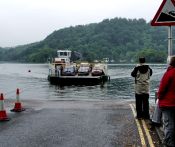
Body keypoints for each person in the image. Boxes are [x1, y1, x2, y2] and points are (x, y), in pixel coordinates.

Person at [157, 56, 175, 147]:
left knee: (169, 123)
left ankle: (168, 141)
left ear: (170, 63)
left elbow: (162, 88)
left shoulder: (169, 73)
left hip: (168, 103)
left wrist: (159, 98)